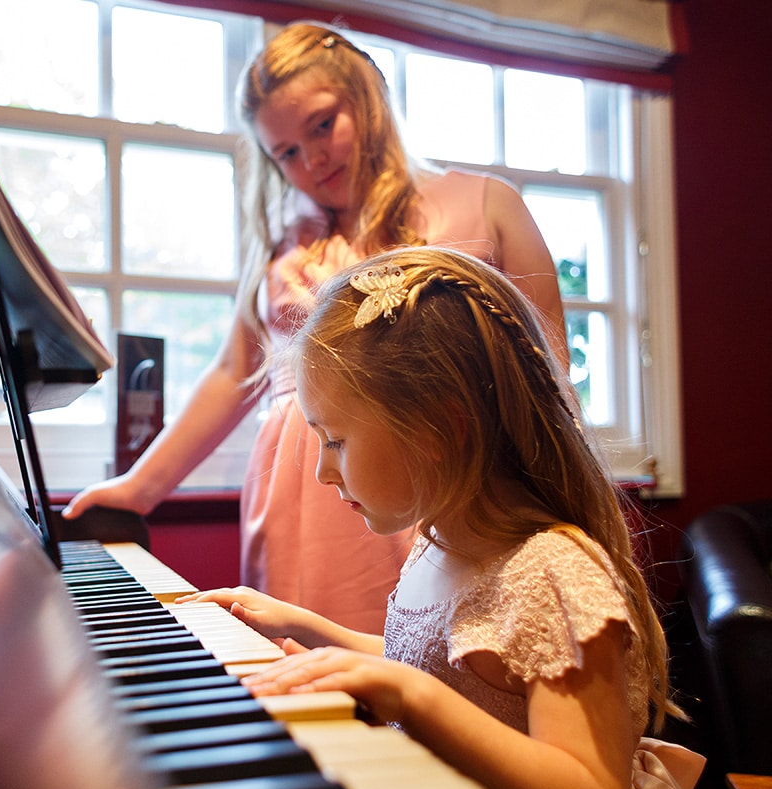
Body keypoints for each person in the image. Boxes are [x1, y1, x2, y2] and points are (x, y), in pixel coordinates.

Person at [62, 21, 568, 634]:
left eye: (323, 126)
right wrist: (141, 487)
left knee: (443, 668)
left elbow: (549, 372)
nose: (312, 159)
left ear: (365, 97)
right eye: (287, 153)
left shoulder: (485, 204)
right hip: (305, 500)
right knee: (309, 688)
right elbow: (231, 374)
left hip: (444, 483)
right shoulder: (281, 249)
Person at [178, 247, 704, 789]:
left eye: (335, 440)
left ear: (437, 430)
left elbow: (590, 788)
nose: (321, 471)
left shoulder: (553, 577)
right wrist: (312, 631)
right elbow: (449, 669)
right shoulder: (438, 542)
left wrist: (410, 697)